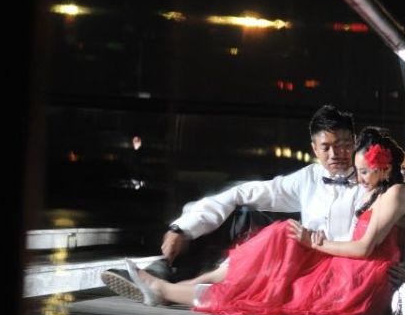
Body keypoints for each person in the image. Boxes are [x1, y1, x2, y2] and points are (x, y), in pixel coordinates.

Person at [121, 127, 405, 315]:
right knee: (282, 238)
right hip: (349, 267)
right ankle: (179, 286)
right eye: (357, 171)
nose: (359, 178)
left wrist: (313, 242)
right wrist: (181, 227)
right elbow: (247, 192)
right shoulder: (378, 190)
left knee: (266, 285)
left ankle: (166, 290)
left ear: (384, 168)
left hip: (356, 278)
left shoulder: (395, 193)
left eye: (364, 172)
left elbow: (365, 247)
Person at [102, 104, 364, 297]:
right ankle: (165, 274)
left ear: (354, 143)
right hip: (305, 262)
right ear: (314, 149)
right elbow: (242, 193)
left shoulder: (370, 180)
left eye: (342, 145)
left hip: (339, 270)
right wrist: (181, 228)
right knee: (240, 211)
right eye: (326, 147)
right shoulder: (309, 177)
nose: (335, 154)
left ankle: (164, 283)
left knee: (275, 239)